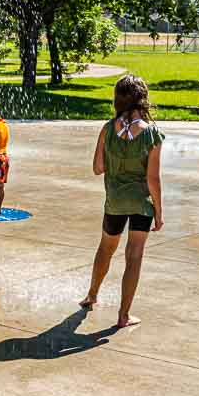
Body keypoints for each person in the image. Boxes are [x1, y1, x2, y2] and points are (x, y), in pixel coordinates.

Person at [80, 75, 164, 328]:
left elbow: (97, 168)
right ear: (142, 99)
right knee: (134, 256)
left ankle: (91, 295)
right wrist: (158, 212)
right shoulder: (152, 135)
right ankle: (123, 315)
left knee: (106, 248)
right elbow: (153, 179)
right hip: (141, 204)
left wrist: (117, 163)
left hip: (115, 201)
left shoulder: (107, 128)